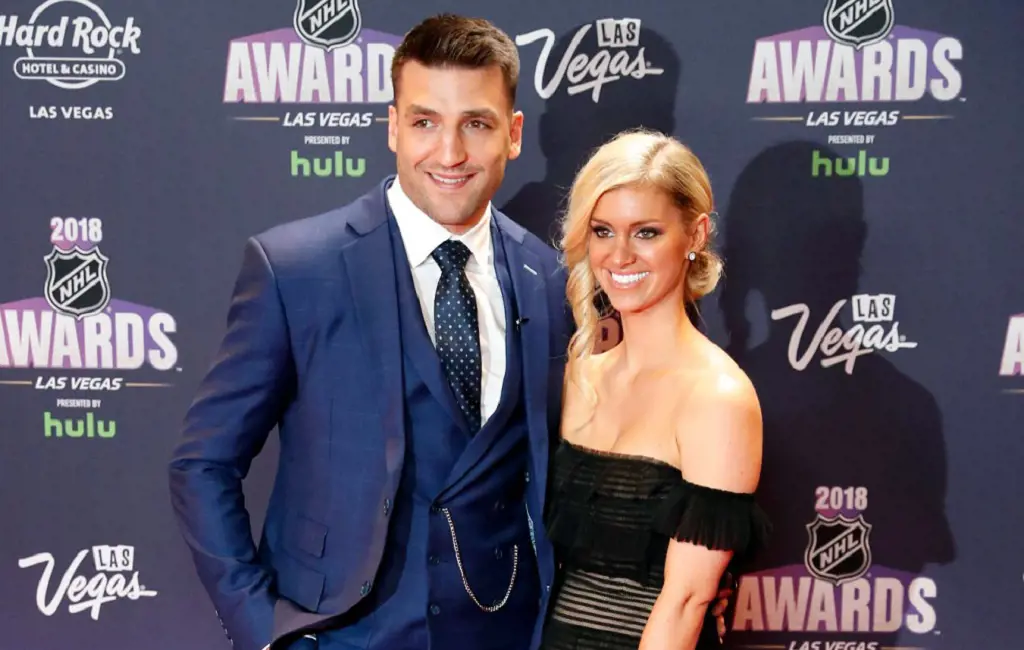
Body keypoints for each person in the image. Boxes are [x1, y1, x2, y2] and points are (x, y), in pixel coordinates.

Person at [168, 14, 730, 650]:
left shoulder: (552, 280)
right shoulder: (296, 269)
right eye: (425, 122)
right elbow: (203, 462)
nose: (450, 153)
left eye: (477, 124)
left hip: (508, 632)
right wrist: (260, 629)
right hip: (336, 636)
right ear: (393, 127)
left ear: (513, 135)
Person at [538, 129, 771, 650]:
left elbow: (686, 601)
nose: (619, 256)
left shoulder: (717, 398)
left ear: (696, 236)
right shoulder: (578, 375)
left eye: (645, 233)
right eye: (602, 231)